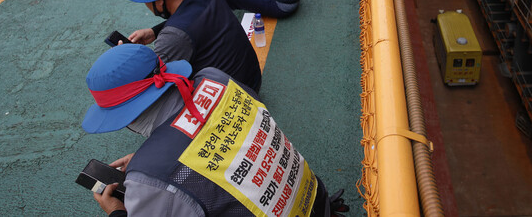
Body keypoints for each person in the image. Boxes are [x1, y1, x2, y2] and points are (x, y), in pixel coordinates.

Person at [83, 44, 350, 217]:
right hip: (316, 201)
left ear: (127, 116)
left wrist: (117, 212)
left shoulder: (150, 174)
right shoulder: (214, 77)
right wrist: (149, 165)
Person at [119, 0, 261, 92]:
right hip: (251, 80)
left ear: (159, 1)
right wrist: (154, 32)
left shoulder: (173, 37)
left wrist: (123, 58)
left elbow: (151, 82)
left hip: (230, 102)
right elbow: (192, 21)